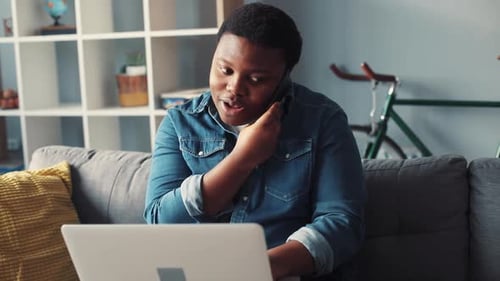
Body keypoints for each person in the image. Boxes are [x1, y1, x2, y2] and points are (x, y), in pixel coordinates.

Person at [144, 2, 366, 280]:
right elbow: (159, 221)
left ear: (284, 79)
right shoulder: (180, 123)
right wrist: (242, 159)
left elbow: (342, 224)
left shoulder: (323, 121)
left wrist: (259, 268)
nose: (234, 89)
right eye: (224, 70)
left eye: (256, 78)